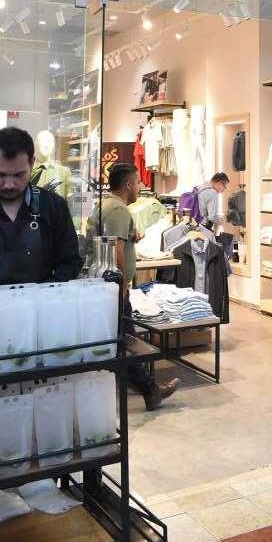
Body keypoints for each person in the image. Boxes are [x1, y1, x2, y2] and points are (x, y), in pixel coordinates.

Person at [87, 163, 179, 411]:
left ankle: (149, 389)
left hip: (104, 284)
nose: (140, 186)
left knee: (123, 338)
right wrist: (123, 283)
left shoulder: (106, 205)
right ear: (128, 184)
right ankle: (150, 389)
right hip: (113, 286)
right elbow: (115, 248)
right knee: (124, 340)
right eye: (138, 182)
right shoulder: (118, 209)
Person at [0, 127, 81, 288]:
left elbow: (70, 262)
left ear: (32, 163)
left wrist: (44, 292)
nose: (9, 184)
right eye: (0, 174)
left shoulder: (53, 206)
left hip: (40, 302)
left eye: (18, 175)